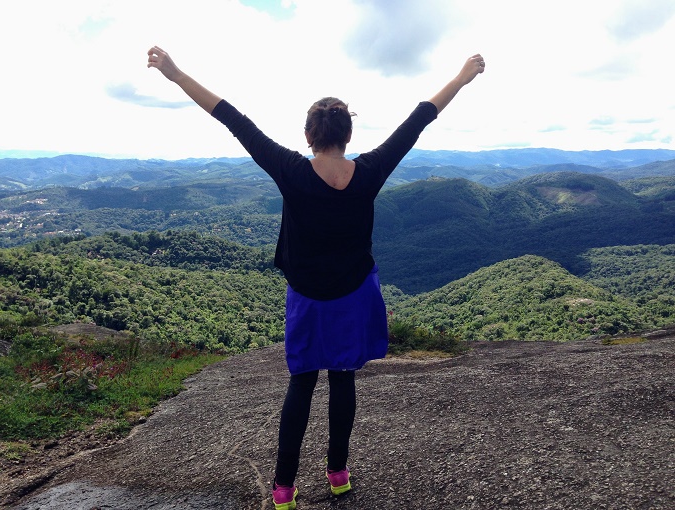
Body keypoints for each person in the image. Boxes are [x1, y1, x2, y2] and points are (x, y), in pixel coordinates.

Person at [147, 45, 485, 510]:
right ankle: (338, 475)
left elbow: (231, 117)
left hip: (307, 296)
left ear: (309, 135)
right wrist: (462, 77)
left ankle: (283, 489)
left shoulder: (291, 171)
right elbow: (419, 118)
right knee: (343, 379)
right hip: (354, 293)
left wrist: (176, 73)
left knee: (302, 382)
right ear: (348, 135)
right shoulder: (369, 171)